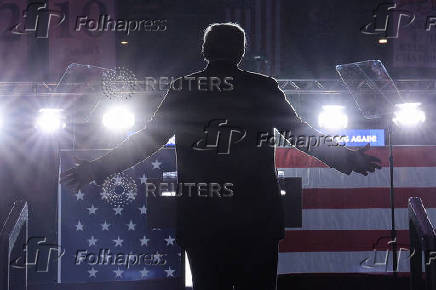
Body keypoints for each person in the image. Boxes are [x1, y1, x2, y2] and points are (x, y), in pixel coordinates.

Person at [61, 23, 381, 290]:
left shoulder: (185, 88)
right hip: (256, 218)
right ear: (241, 52)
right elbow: (301, 135)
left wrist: (95, 168)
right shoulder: (262, 88)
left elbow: (146, 141)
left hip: (203, 218)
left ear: (204, 50)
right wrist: (348, 159)